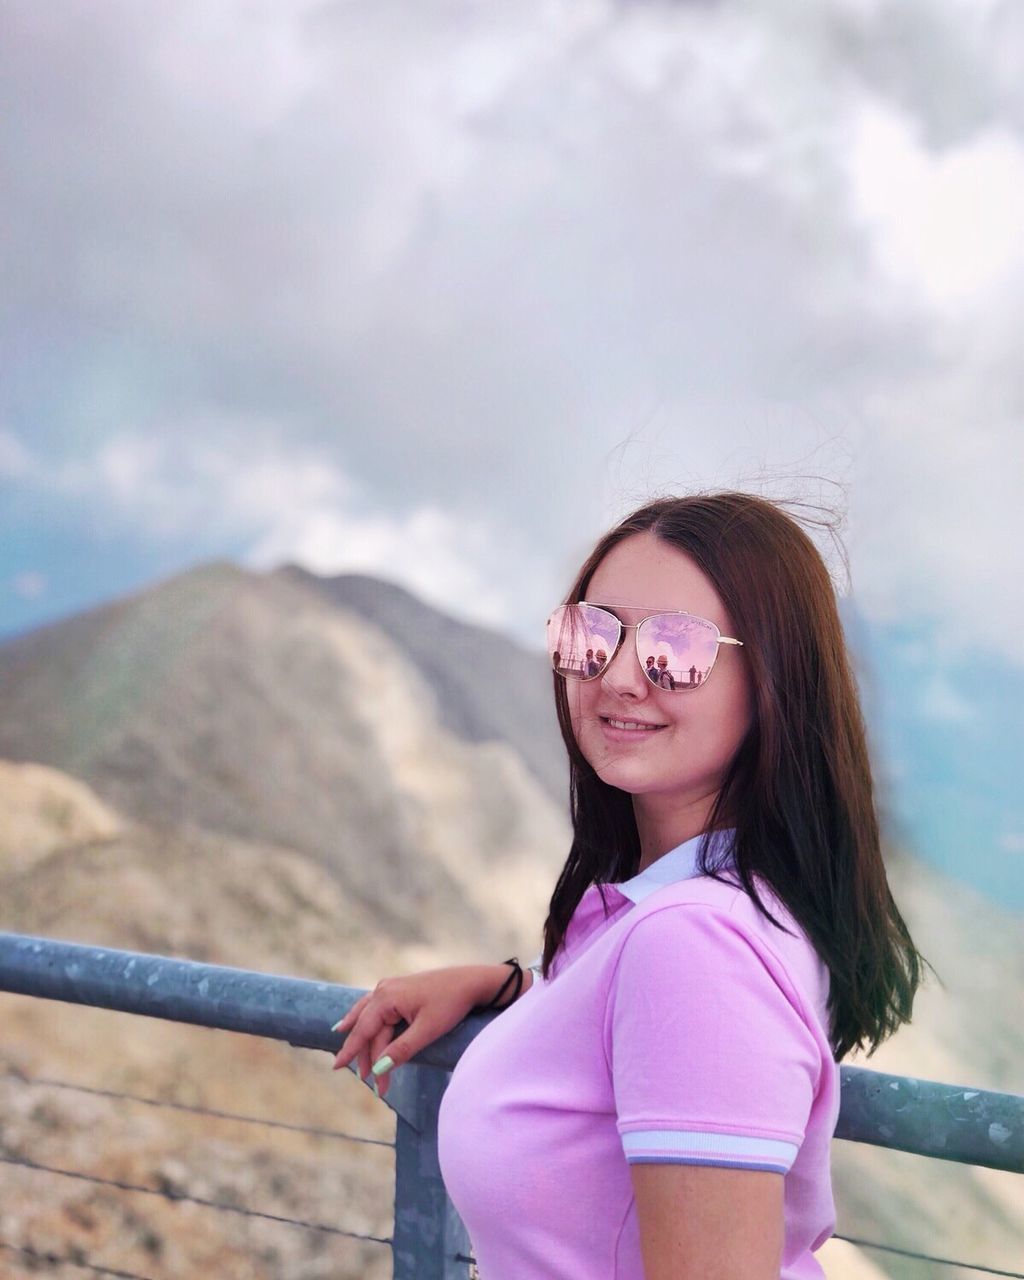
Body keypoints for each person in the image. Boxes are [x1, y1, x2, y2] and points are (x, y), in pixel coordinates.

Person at [330, 491, 929, 1280]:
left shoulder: (696, 946)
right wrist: (515, 990)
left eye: (676, 648)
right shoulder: (705, 913)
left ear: (774, 679)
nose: (615, 677)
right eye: (593, 633)